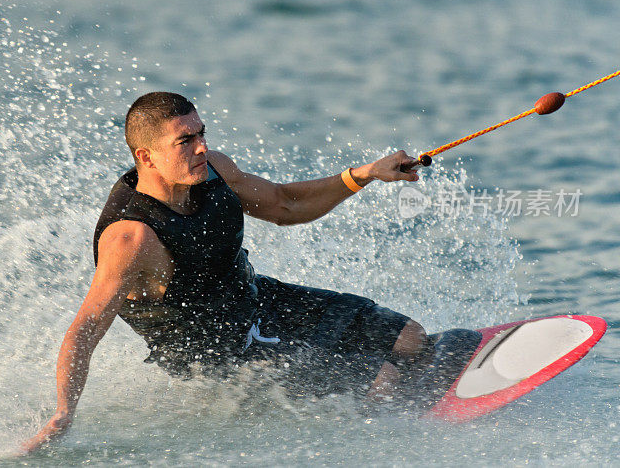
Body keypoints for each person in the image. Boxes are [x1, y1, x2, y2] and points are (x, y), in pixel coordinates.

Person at [22, 92, 431, 453]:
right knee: (383, 381)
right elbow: (86, 326)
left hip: (256, 299)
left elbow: (285, 205)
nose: (201, 148)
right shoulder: (132, 239)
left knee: (412, 338)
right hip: (217, 352)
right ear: (146, 156)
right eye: (185, 141)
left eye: (201, 134)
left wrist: (366, 174)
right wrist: (63, 412)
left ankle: (390, 380)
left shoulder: (213, 169)